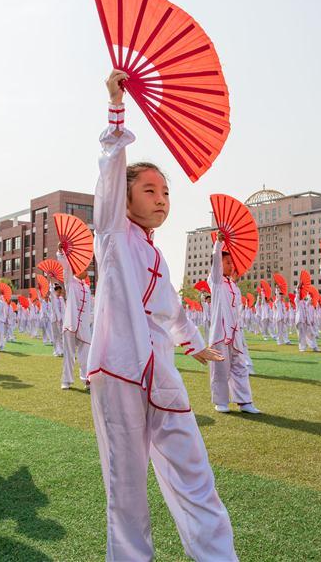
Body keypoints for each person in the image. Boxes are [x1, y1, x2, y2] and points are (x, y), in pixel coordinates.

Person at [86, 70, 236, 561]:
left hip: (163, 375)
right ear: (125, 198)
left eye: (166, 193)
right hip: (120, 373)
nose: (161, 200)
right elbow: (110, 169)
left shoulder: (158, 256)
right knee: (126, 488)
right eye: (149, 190)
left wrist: (195, 346)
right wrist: (116, 110)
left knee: (195, 471)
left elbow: (173, 312)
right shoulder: (111, 235)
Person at [208, 231, 259, 413]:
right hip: (220, 333)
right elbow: (216, 265)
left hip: (235, 332)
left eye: (231, 263)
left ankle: (245, 402)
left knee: (240, 366)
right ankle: (221, 402)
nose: (231, 265)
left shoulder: (234, 286)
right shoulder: (215, 282)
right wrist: (218, 244)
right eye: (227, 262)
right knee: (220, 368)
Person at [58, 249, 92, 390]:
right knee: (69, 354)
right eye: (85, 268)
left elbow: (90, 308)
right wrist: (61, 252)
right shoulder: (70, 282)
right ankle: (66, 381)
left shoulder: (87, 288)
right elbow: (65, 268)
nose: (87, 270)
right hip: (70, 324)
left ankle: (86, 379)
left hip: (84, 327)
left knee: (86, 355)